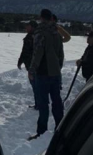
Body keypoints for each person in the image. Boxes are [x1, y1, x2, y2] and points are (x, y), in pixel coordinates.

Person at [28, 9, 65, 140]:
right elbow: (61, 54)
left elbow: (37, 53)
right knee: (57, 101)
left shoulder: (40, 32)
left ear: (41, 18)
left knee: (43, 103)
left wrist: (32, 70)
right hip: (55, 73)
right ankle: (61, 127)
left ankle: (42, 131)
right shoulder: (56, 33)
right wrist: (57, 68)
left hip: (42, 74)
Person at [18, 21, 39, 110]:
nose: (26, 28)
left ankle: (39, 104)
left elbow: (25, 52)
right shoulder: (38, 36)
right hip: (36, 65)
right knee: (37, 85)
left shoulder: (30, 38)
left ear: (33, 27)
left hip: (32, 65)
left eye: (28, 26)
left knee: (35, 85)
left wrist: (20, 61)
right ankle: (40, 103)